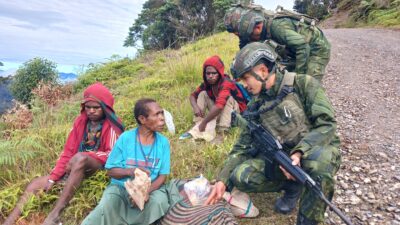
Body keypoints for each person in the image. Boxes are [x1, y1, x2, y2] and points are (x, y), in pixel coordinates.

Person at [205, 42, 341, 225]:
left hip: (315, 149)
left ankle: (308, 220)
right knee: (241, 175)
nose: (244, 85)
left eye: (245, 78)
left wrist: (300, 151)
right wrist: (222, 181)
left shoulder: (303, 84)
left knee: (320, 168)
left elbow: (327, 124)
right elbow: (240, 148)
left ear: (262, 71)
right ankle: (293, 186)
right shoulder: (255, 107)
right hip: (283, 159)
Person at [3, 82, 124, 225]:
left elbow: (112, 155)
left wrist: (84, 157)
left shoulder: (111, 126)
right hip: (75, 165)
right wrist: (53, 178)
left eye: (96, 107)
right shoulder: (80, 122)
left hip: (95, 165)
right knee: (34, 185)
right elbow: (68, 151)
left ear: (105, 108)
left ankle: (55, 215)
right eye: (88, 107)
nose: (91, 111)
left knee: (80, 158)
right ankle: (8, 222)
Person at [81, 98, 182, 225]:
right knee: (105, 208)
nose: (162, 118)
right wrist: (131, 171)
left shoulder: (163, 143)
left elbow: (162, 176)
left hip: (151, 189)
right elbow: (111, 172)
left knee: (158, 203)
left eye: (162, 113)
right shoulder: (126, 138)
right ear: (142, 119)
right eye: (157, 114)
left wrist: (145, 192)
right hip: (121, 188)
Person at [225, 5, 331, 81]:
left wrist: (299, 77)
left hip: (316, 48)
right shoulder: (250, 34)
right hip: (295, 49)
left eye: (239, 34)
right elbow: (245, 51)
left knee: (309, 83)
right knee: (283, 80)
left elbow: (303, 47)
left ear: (256, 27)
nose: (239, 37)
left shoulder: (276, 27)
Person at [179, 55, 248, 142]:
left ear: (219, 73)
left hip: (235, 113)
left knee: (228, 98)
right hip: (220, 111)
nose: (210, 76)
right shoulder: (207, 84)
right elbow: (192, 96)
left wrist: (205, 122)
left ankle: (222, 132)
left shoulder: (226, 83)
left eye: (214, 73)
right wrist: (195, 107)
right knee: (203, 94)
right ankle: (198, 125)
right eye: (208, 73)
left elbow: (219, 106)